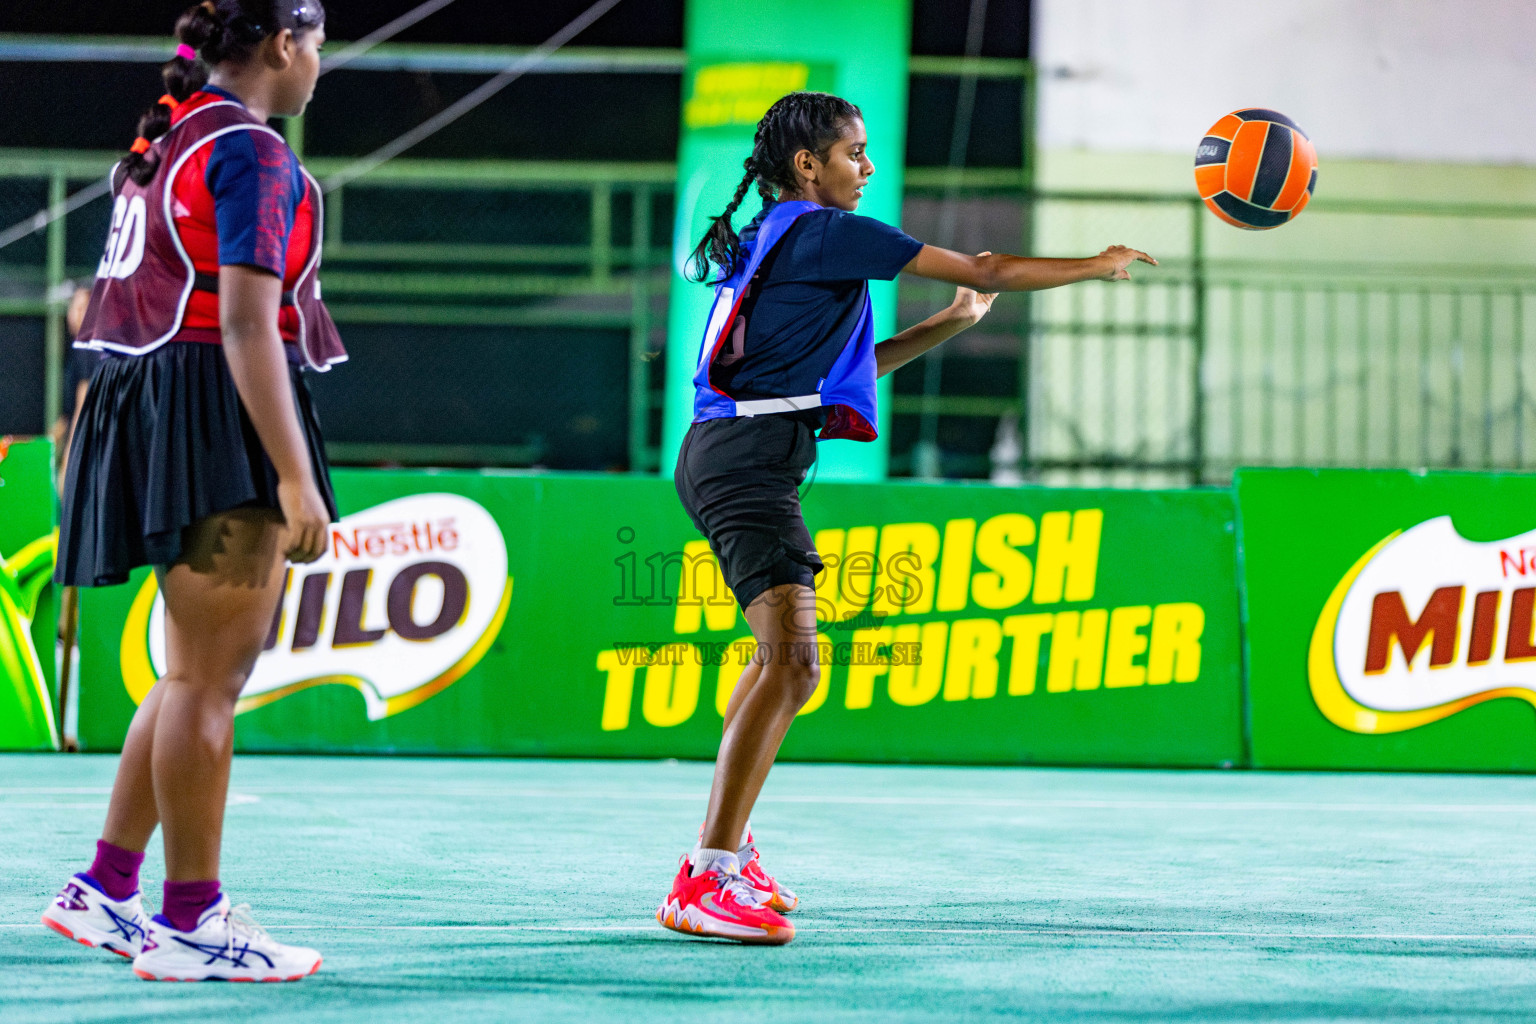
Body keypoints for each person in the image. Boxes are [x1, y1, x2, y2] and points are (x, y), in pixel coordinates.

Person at [660, 91, 1156, 945]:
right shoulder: (825, 232)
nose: (869, 167)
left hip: (742, 454)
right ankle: (705, 879)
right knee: (793, 664)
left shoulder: (781, 235)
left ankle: (727, 850)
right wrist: (1092, 264)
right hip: (745, 464)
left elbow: (841, 379)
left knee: (783, 664)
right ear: (807, 164)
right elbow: (992, 265)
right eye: (855, 152)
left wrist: (949, 324)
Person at [41, 0, 344, 982]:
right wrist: (296, 477)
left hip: (146, 398)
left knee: (187, 674)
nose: (319, 65)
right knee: (211, 680)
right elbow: (252, 325)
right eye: (317, 45)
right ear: (282, 45)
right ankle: (192, 922)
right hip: (215, 398)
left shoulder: (169, 138)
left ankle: (104, 887)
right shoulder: (249, 151)